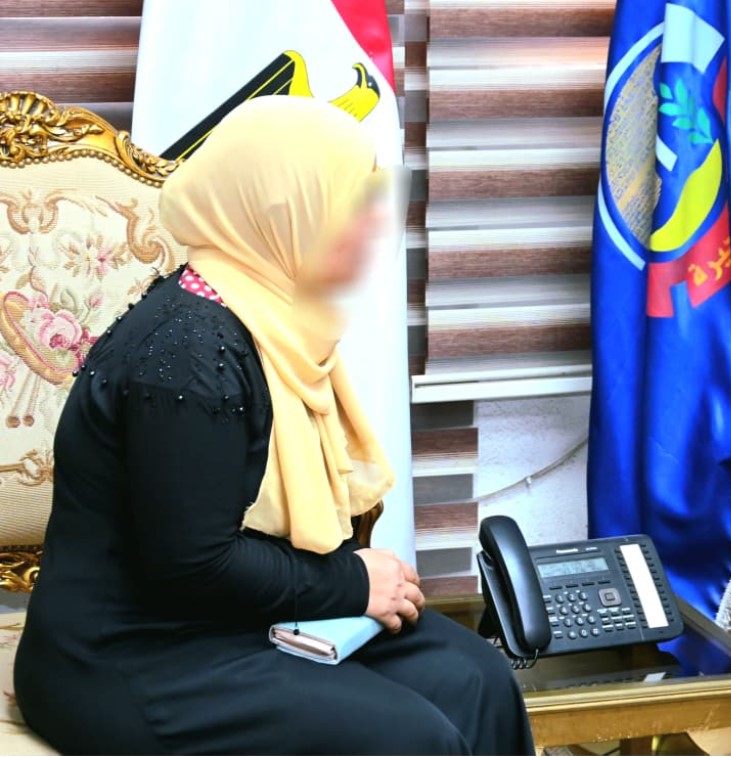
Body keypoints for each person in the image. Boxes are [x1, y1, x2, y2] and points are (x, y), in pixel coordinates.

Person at [14, 95, 534, 756]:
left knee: (478, 678)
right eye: (351, 205)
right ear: (285, 211)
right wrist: (355, 583)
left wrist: (351, 582)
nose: (374, 227)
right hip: (129, 656)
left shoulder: (271, 318)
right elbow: (189, 567)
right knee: (413, 739)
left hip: (238, 619)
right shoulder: (187, 357)